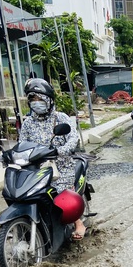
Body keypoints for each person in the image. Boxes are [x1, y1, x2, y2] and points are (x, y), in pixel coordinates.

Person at [19, 78, 87, 240]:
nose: (37, 103)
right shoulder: (28, 122)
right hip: (36, 168)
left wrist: (60, 151)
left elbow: (73, 138)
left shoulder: (61, 118)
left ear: (48, 100)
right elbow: (21, 143)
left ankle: (78, 222)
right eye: (33, 99)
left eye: (40, 99)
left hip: (61, 166)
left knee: (61, 196)